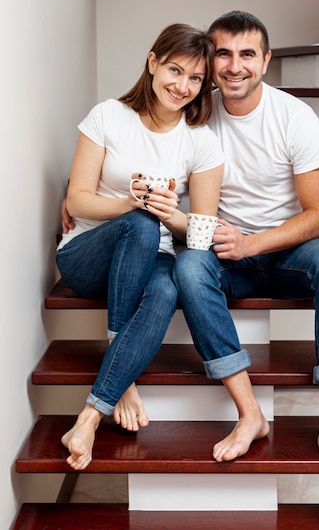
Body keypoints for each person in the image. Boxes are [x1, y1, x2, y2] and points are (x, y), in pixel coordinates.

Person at [172, 10, 319, 489]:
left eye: (247, 54)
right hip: (222, 253)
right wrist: (83, 194)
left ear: (266, 60)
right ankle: (250, 413)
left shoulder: (294, 116)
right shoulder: (194, 112)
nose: (234, 66)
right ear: (210, 59)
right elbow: (134, 140)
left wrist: (252, 242)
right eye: (223, 53)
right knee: (189, 269)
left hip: (284, 253)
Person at [56, 23, 224, 471]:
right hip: (86, 253)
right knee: (141, 225)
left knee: (166, 288)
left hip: (155, 255)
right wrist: (134, 203)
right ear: (152, 62)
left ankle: (89, 418)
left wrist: (170, 213)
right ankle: (123, 375)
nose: (182, 86)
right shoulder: (107, 116)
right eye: (174, 70)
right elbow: (76, 199)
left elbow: (201, 232)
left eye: (195, 79)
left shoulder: (202, 142)